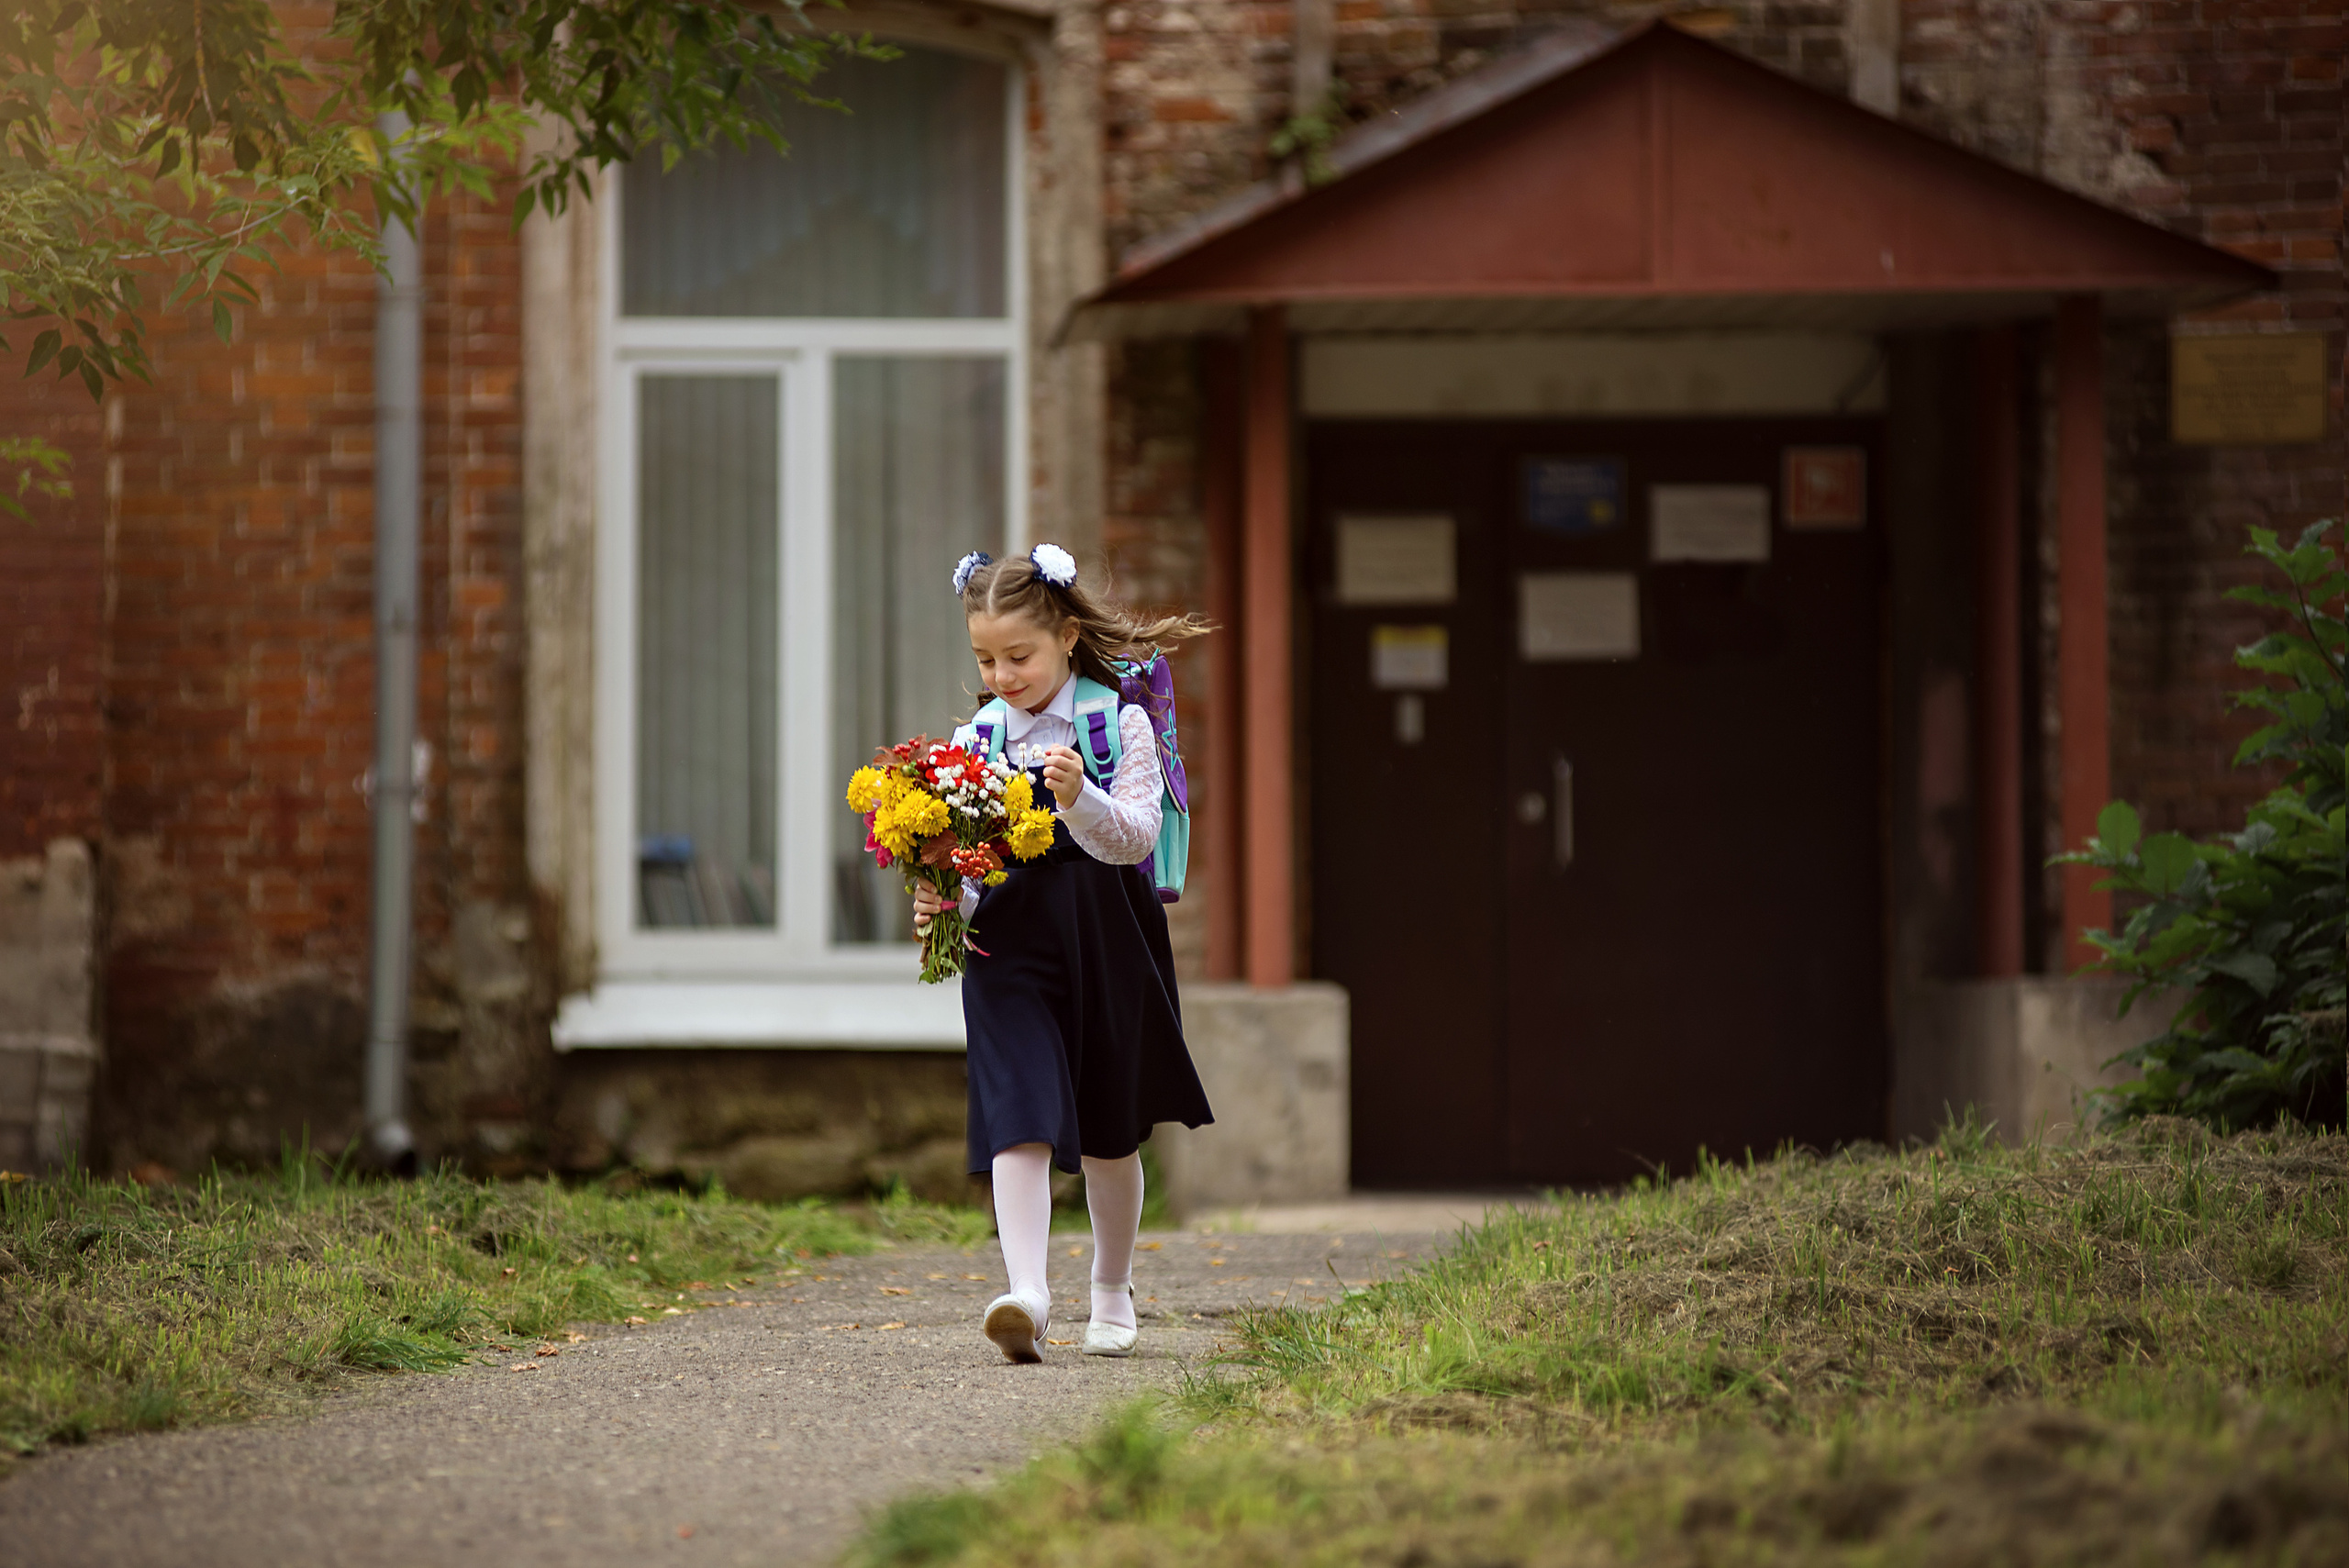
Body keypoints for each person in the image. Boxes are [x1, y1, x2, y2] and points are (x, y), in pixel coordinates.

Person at [913, 542, 1214, 1364]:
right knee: (1019, 1110)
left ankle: (1111, 1289)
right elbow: (972, 856)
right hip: (1008, 942)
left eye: (1019, 655)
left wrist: (1080, 797)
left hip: (1107, 935)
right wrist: (948, 896)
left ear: (1068, 636)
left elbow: (1137, 839)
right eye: (984, 657)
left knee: (1112, 1128)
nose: (1002, 674)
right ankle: (1028, 1294)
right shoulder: (974, 737)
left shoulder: (1116, 722)